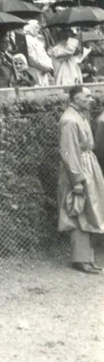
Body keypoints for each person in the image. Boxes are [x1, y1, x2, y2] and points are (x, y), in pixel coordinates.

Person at [59, 85, 104, 274]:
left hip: (87, 164)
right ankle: (80, 259)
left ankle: (87, 258)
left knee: (90, 210)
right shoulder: (69, 120)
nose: (91, 99)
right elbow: (68, 152)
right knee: (79, 212)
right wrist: (77, 180)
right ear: (77, 99)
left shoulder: (81, 115)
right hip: (77, 168)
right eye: (87, 96)